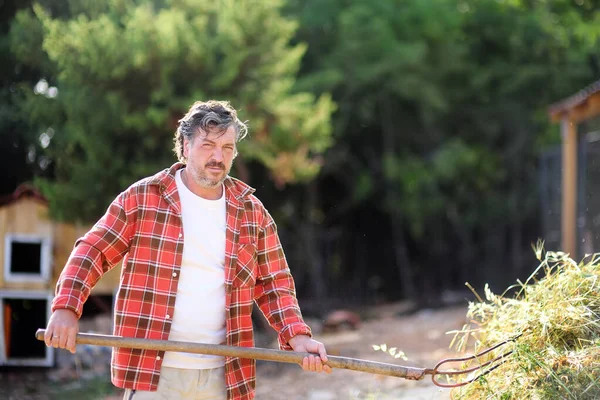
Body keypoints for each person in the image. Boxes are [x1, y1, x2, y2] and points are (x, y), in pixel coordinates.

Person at [44, 100, 332, 400]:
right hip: (153, 370)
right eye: (208, 145)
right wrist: (66, 307)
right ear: (185, 145)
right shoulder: (143, 198)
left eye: (228, 148)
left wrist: (297, 335)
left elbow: (275, 283)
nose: (218, 157)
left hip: (224, 373)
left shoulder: (251, 212)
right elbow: (93, 250)